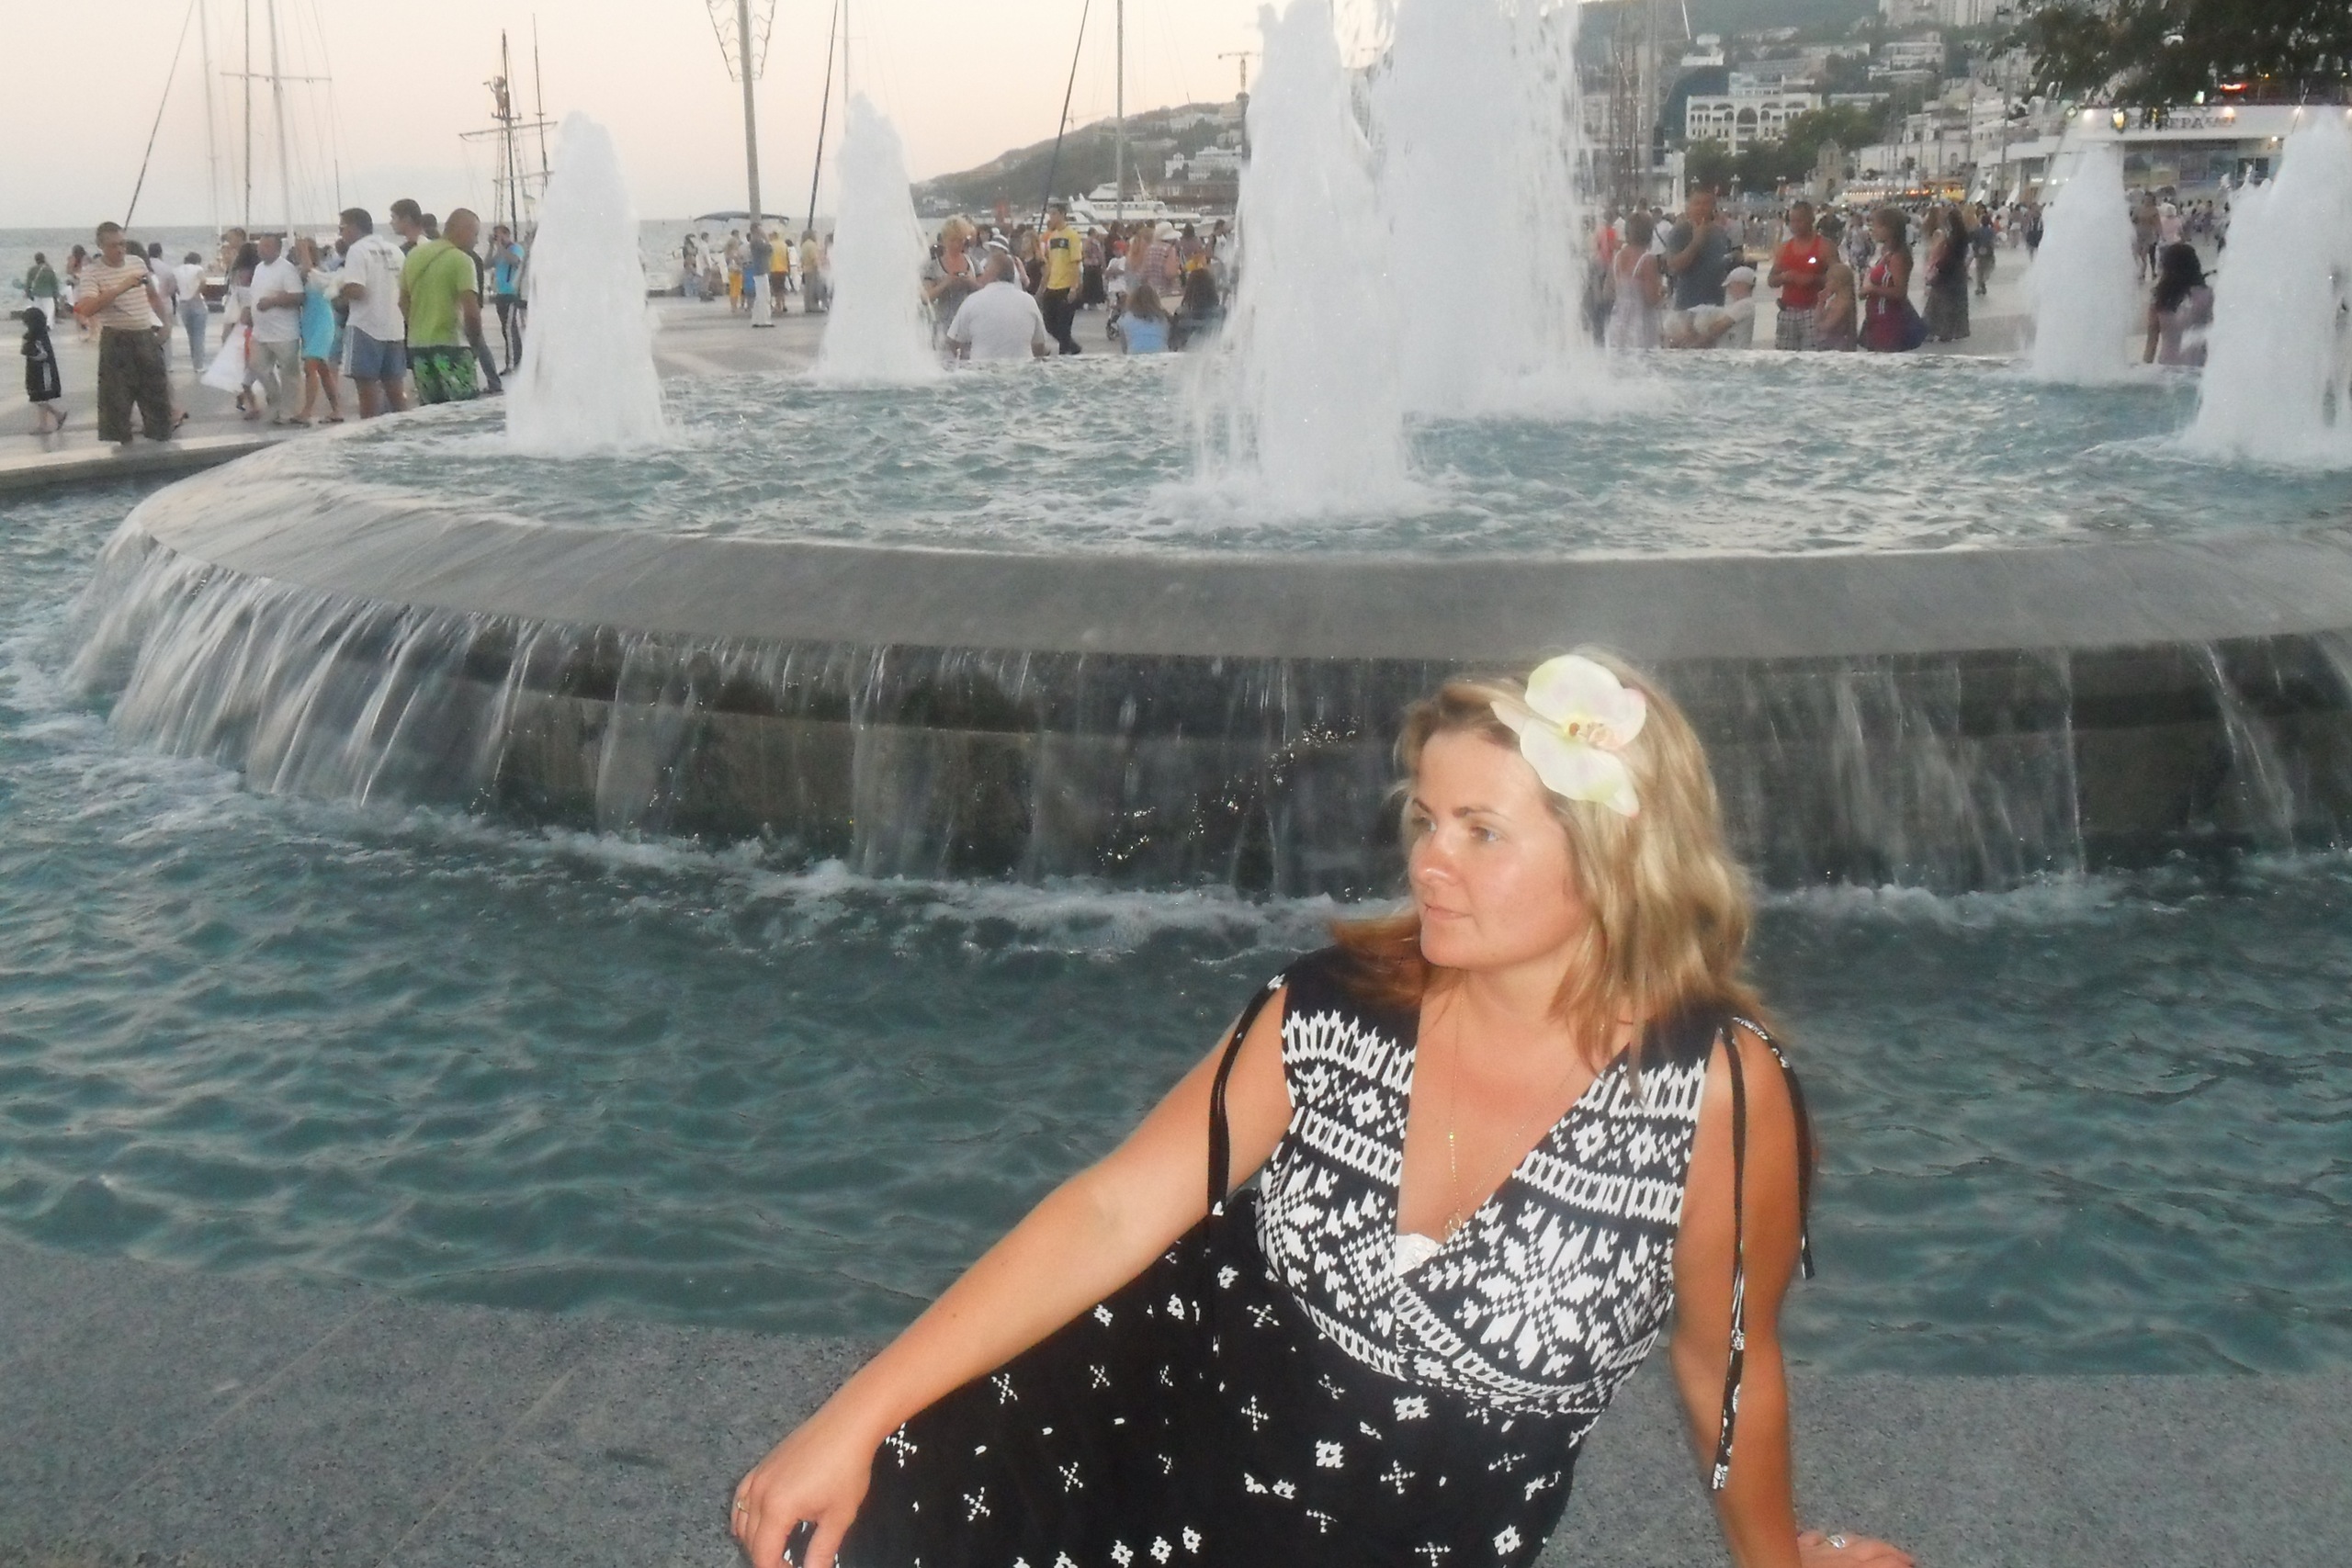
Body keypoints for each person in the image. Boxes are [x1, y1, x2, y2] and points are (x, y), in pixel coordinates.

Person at [730, 652, 1912, 1568]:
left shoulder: (1717, 1097)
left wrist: (1775, 1566)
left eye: (1482, 832)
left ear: (1614, 854)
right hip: (1138, 1447)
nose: (1430, 861)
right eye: (1426, 820)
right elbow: (1112, 1210)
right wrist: (854, 1416)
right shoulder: (1331, 1008)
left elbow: (1726, 1368)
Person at [73, 221, 175, 446]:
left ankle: (160, 439)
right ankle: (123, 446)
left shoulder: (136, 262)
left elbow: (153, 296)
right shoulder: (92, 273)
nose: (119, 250)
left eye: (122, 244)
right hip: (116, 338)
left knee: (157, 396)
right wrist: (121, 287)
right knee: (116, 401)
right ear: (100, 246)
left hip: (144, 334)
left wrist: (165, 324)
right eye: (113, 246)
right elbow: (86, 308)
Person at [401, 207, 485, 405]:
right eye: (475, 234)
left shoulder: (414, 255)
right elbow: (471, 312)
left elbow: (402, 301)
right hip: (452, 346)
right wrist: (474, 344)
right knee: (464, 411)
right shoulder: (462, 260)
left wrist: (417, 324)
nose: (476, 241)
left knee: (432, 412)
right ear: (462, 230)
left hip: (418, 347)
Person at [334, 208, 408, 419]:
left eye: (342, 228)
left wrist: (338, 291)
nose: (340, 233)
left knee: (367, 392)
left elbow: (357, 290)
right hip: (394, 327)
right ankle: (405, 428)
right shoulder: (395, 250)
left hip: (366, 327)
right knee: (395, 390)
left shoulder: (357, 250)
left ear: (353, 227)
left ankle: (368, 430)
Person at [244, 231, 306, 423]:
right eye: (260, 246)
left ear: (278, 249)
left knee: (289, 374)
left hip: (284, 333)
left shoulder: (286, 269)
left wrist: (272, 302)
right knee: (257, 366)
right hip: (260, 332)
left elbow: (298, 296)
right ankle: (276, 399)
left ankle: (289, 412)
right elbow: (254, 294)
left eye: (267, 246)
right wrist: (248, 311)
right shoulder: (259, 268)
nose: (262, 250)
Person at [944, 254, 1050, 362]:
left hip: (981, 368)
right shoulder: (1029, 301)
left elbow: (953, 340)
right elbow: (1039, 345)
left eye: (985, 270)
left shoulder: (972, 301)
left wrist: (967, 359)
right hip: (1021, 368)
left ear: (991, 274)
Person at [290, 236, 345, 425]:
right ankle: (336, 409)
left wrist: (304, 249)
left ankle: (307, 411)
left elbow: (309, 271)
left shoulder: (320, 272)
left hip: (322, 321)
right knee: (323, 370)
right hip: (309, 322)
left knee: (310, 366)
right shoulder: (301, 272)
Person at [1768, 201, 1831, 352]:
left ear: (1811, 219)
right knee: (1785, 357)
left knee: (1812, 357)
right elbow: (1771, 280)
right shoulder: (1784, 248)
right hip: (1787, 311)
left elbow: (1839, 280)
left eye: (1799, 221)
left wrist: (1813, 279)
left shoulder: (1825, 247)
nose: (1795, 226)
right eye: (1792, 221)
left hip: (1813, 310)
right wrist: (1784, 277)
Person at [1859, 207, 1922, 355]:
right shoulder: (1884, 253)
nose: (1873, 230)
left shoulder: (1898, 257)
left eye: (1877, 226)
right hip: (1875, 316)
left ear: (1890, 229)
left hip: (1889, 318)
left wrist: (1872, 289)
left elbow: (1900, 292)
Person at [1664, 187, 1736, 315]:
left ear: (1713, 208)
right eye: (1697, 203)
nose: (1701, 208)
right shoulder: (1680, 231)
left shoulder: (1720, 232)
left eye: (1706, 204)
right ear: (1689, 207)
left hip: (1716, 304)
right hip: (1688, 306)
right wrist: (1696, 242)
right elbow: (1674, 265)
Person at [1603, 209, 1665, 353]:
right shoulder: (1647, 259)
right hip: (1641, 323)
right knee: (1643, 361)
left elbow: (1607, 292)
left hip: (1618, 321)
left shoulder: (1617, 257)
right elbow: (1651, 299)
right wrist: (1662, 292)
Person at [2143, 242, 2213, 367]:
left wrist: (2145, 368)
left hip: (2168, 366)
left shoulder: (2159, 298)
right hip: (2199, 365)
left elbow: (2151, 342)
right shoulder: (2208, 295)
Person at [1666, 266, 1758, 349]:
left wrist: (1693, 341)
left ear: (1740, 284)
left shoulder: (1744, 304)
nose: (1729, 290)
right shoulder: (1743, 305)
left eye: (1730, 285)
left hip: (1734, 352)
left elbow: (1716, 329)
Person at [1037, 206, 1085, 355]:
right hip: (1052, 285)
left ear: (1063, 214)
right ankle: (1073, 346)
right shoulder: (1052, 237)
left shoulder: (1072, 236)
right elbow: (1050, 263)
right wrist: (1044, 285)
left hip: (1066, 286)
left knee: (1064, 326)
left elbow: (1075, 263)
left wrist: (1074, 287)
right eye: (1050, 214)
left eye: (1054, 214)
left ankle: (1065, 352)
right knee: (1049, 324)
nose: (1051, 217)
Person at [1920, 206, 1969, 344]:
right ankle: (1948, 332)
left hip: (1947, 273)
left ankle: (1931, 331)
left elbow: (1948, 257)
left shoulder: (1952, 238)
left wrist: (1938, 268)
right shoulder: (1961, 235)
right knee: (1954, 304)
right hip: (1958, 273)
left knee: (1937, 303)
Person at [21, 307, 65, 434]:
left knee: (41, 396)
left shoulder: (39, 336)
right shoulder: (35, 335)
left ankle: (43, 425)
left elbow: (43, 354)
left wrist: (30, 352)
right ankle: (58, 415)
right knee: (38, 396)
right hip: (34, 369)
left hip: (43, 369)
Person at [490, 224, 526, 367]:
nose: (498, 238)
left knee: (509, 329)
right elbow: (487, 264)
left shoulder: (515, 248)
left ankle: (512, 363)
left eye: (499, 235)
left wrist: (500, 247)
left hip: (511, 294)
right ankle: (515, 358)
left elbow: (516, 261)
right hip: (501, 294)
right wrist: (491, 247)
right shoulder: (500, 251)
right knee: (506, 329)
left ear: (507, 234)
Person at [171, 251, 209, 371]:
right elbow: (203, 281)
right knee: (199, 335)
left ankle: (194, 362)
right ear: (197, 261)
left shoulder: (176, 270)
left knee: (191, 335)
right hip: (197, 302)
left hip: (183, 303)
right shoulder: (198, 268)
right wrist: (197, 293)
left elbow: (173, 287)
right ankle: (199, 365)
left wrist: (181, 293)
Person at [1815, 252, 1859, 352]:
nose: (1826, 284)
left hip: (1838, 346)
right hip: (1828, 342)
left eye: (1829, 281)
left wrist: (1818, 325)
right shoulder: (1833, 301)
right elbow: (1818, 319)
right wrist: (1821, 303)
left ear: (1838, 282)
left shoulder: (1844, 303)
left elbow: (1828, 326)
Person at [1114, 281, 1171, 354]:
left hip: (1135, 353)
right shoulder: (1164, 317)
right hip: (1161, 352)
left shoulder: (1124, 318)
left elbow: (1124, 347)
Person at [748, 226, 777, 327]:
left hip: (758, 271)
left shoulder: (754, 242)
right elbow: (769, 249)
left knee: (759, 296)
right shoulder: (758, 242)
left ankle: (756, 319)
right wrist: (767, 239)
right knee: (764, 296)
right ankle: (764, 320)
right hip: (762, 271)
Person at [22, 253, 62, 326]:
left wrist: (28, 293)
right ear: (44, 259)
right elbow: (54, 284)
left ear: (35, 260)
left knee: (38, 310)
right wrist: (56, 295)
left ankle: (39, 324)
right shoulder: (50, 270)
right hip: (48, 294)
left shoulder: (32, 270)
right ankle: (49, 325)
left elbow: (28, 283)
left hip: (36, 293)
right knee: (50, 311)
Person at [1968, 205, 1996, 299]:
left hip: (1979, 252)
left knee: (1979, 270)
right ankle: (1983, 281)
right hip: (1989, 252)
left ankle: (1979, 286)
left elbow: (1974, 241)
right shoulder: (1991, 231)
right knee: (1989, 268)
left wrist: (1975, 250)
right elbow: (1992, 242)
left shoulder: (1977, 231)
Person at [800, 230, 830, 313]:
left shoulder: (803, 245)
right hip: (812, 269)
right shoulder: (812, 245)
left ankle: (808, 306)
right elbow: (814, 257)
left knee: (807, 290)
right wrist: (819, 267)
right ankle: (813, 306)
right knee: (813, 290)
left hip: (806, 269)